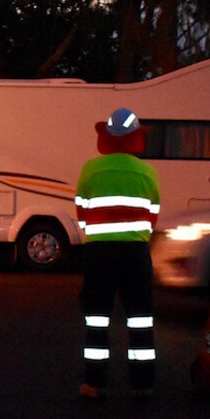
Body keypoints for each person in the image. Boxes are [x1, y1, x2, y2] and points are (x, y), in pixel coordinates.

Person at [74, 107, 161, 400]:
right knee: (140, 318)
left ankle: (94, 383)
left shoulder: (90, 169)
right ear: (135, 139)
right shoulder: (147, 171)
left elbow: (82, 212)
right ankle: (143, 383)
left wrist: (96, 233)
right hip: (135, 252)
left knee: (97, 318)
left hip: (99, 253)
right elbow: (153, 215)